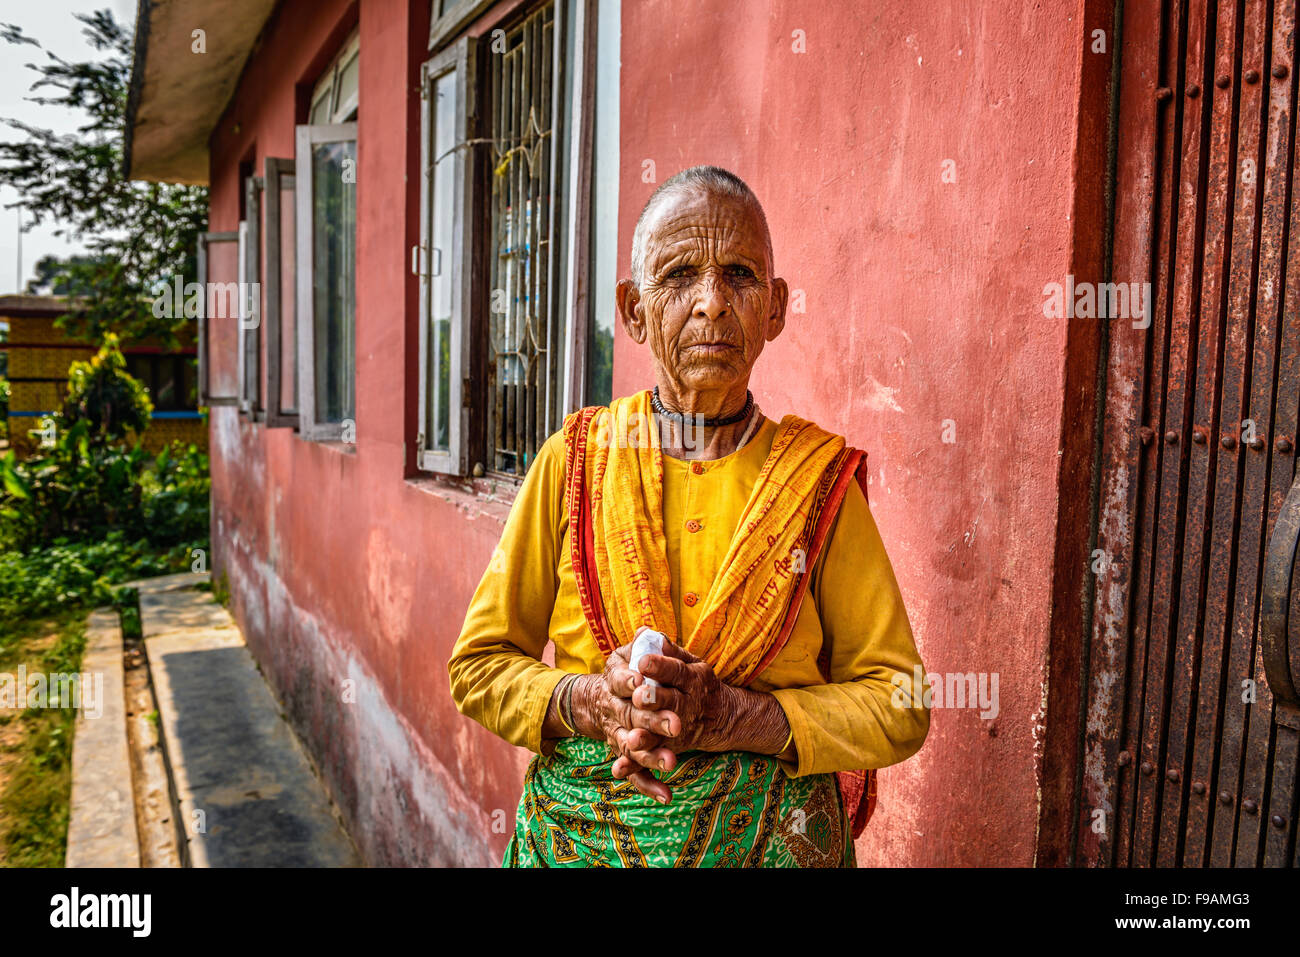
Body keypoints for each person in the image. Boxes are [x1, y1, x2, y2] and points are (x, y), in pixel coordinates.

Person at [449, 165, 929, 867]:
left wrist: (738, 717)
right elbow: (478, 666)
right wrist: (592, 702)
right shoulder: (575, 462)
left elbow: (901, 702)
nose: (712, 303)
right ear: (634, 311)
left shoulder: (816, 483)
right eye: (678, 276)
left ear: (775, 308)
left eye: (740, 275)